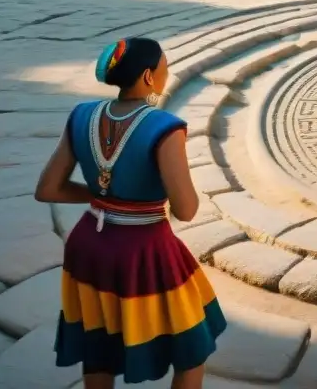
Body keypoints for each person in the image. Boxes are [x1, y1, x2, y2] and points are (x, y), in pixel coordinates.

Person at [34, 38, 226, 388]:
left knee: (98, 345)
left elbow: (48, 188)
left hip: (88, 246)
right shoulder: (165, 127)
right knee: (191, 347)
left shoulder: (81, 115)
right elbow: (185, 209)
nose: (167, 73)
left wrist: (106, 196)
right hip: (144, 251)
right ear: (149, 76)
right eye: (165, 67)